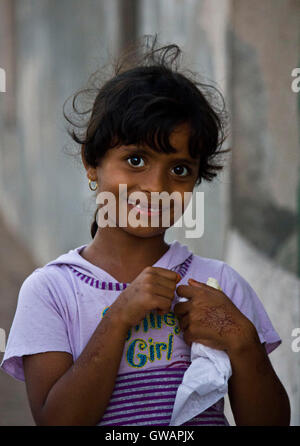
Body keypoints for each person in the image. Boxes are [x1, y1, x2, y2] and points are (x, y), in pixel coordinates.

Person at [0, 35, 290, 426]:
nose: (156, 187)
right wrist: (117, 318)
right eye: (135, 159)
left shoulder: (218, 286)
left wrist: (241, 340)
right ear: (92, 162)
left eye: (180, 169)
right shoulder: (52, 291)